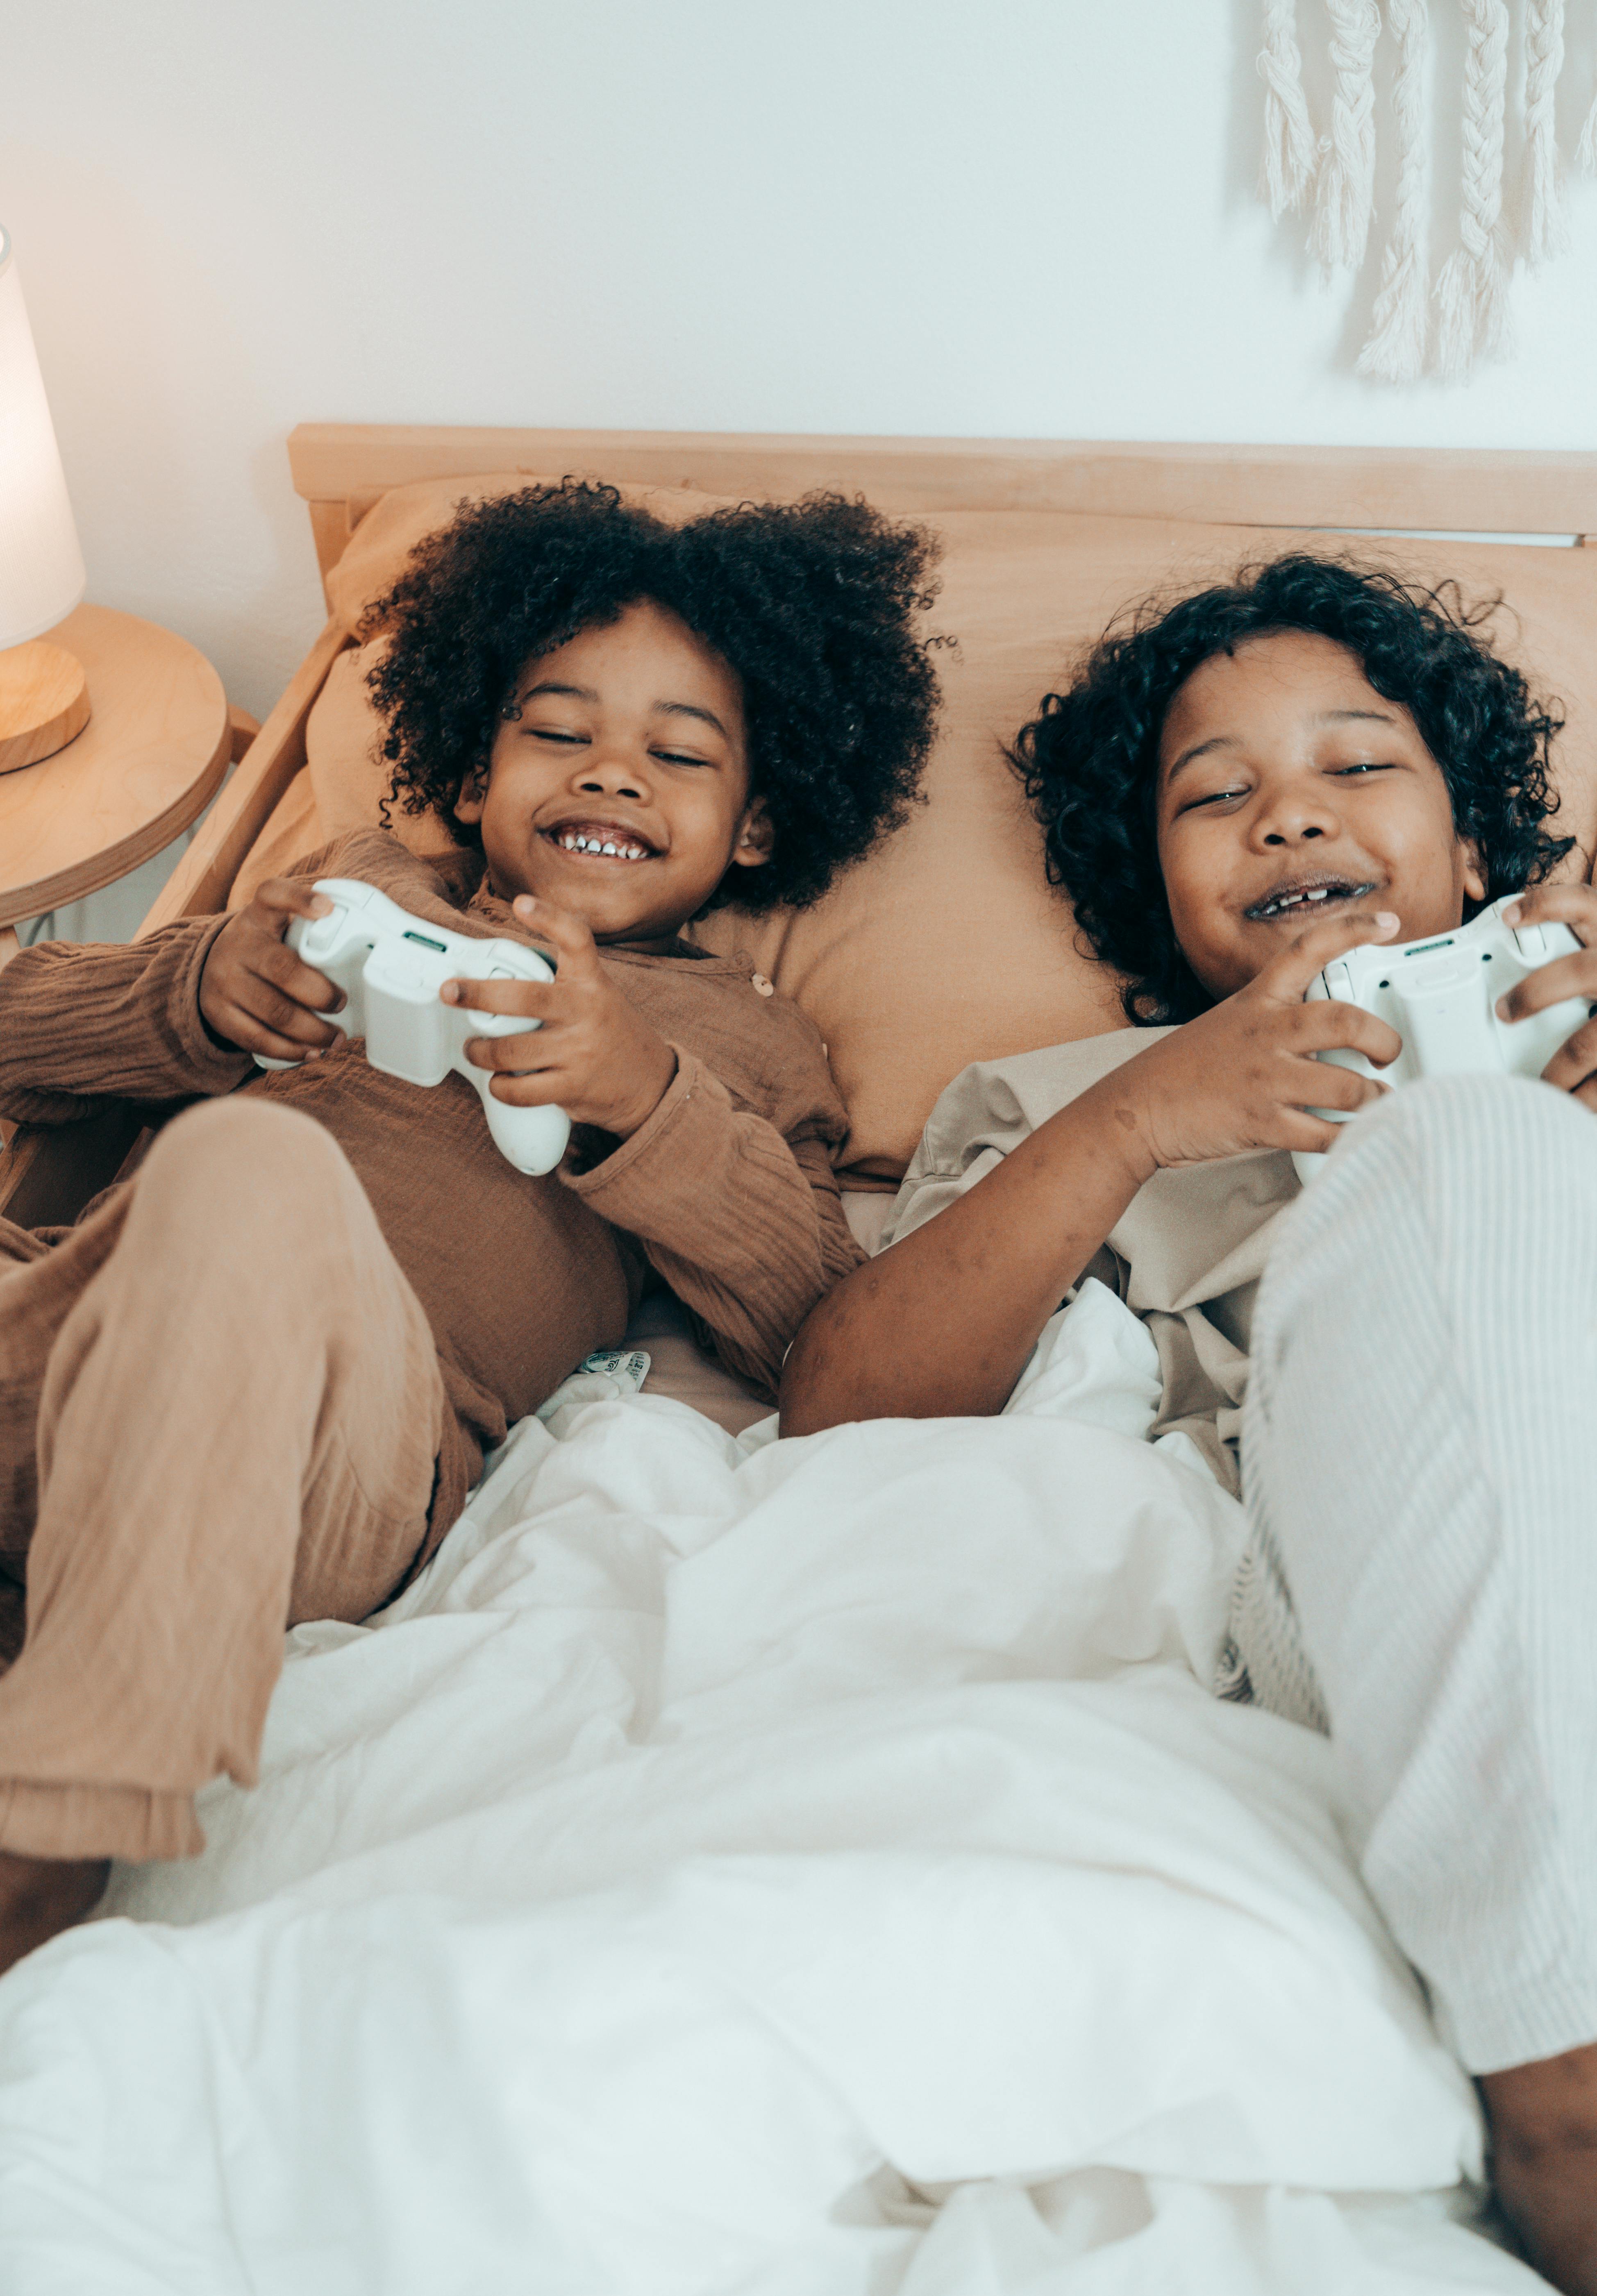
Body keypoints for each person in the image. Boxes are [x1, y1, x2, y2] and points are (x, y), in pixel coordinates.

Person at [780, 553, 1597, 2293]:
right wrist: (1144, 1121)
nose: (1287, 816)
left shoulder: (1573, 1017)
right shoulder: (1065, 1107)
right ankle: (1567, 2078)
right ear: (1158, 888)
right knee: (1453, 1159)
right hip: (1374, 1597)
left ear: (1473, 852)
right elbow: (843, 1412)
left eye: (1358, 766)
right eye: (1216, 795)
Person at [0, 479, 940, 1976]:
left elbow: (810, 1322)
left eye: (677, 753)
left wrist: (640, 1096)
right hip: (66, 1349)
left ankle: (51, 1830)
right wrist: (187, 993)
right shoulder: (348, 886)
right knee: (214, 1166)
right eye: (558, 730)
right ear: (473, 772)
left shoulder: (746, 1047)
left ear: (758, 821)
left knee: (254, 1173)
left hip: (336, 1454)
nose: (613, 773)